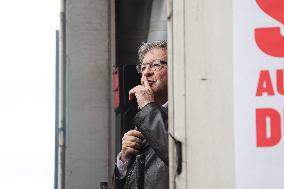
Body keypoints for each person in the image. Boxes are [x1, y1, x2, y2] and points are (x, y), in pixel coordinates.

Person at [114, 40, 169, 189]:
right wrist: (124, 160)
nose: (146, 72)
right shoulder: (145, 117)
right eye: (143, 67)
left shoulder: (186, 113)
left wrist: (147, 107)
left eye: (156, 65)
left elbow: (176, 156)